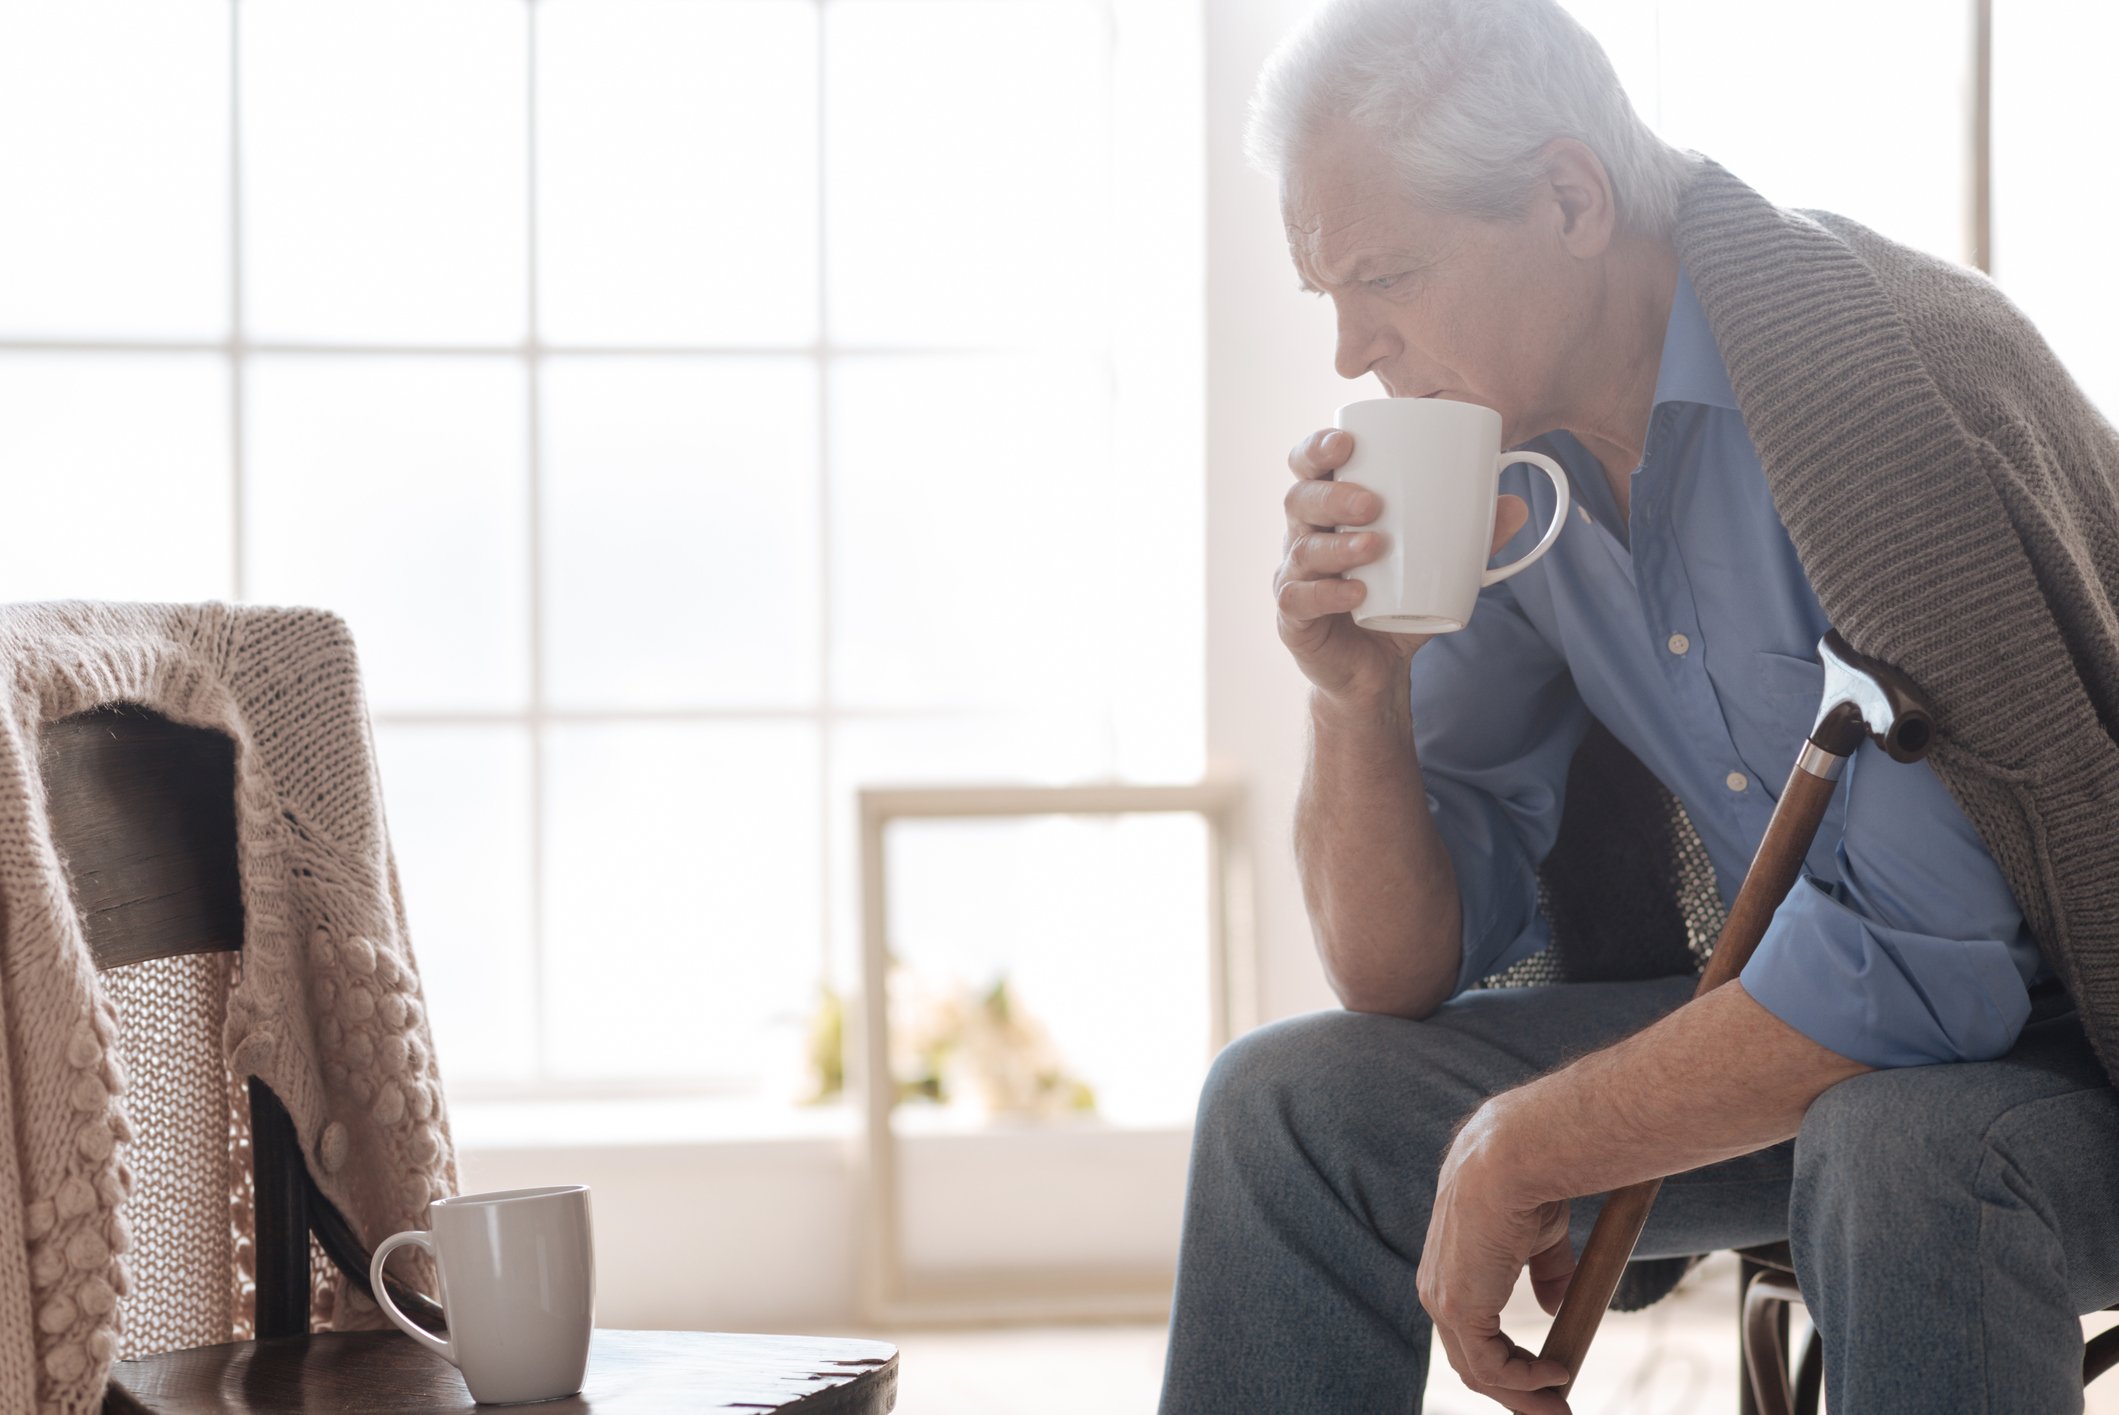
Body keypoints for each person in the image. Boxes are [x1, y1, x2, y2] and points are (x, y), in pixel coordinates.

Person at [1156, 1, 2119, 1411]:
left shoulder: (1872, 380)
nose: (1358, 348)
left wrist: (1528, 1143)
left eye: (1391, 276)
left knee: (1901, 1142)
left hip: (2077, 1048)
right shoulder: (1513, 465)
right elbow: (1398, 971)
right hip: (1824, 1045)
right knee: (1288, 1111)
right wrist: (1358, 698)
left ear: (1568, 197)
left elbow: (1932, 971)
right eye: (1331, 296)